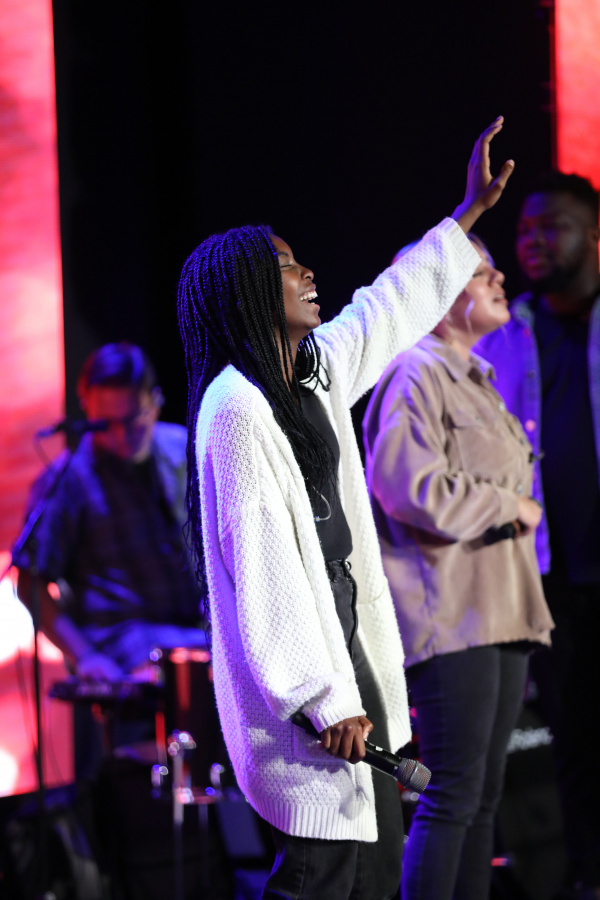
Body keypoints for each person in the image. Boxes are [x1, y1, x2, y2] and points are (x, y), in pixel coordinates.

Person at [176, 118, 513, 900]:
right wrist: (318, 697)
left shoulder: (314, 372)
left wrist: (466, 216)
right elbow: (263, 565)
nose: (308, 272)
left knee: (374, 870)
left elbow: (387, 308)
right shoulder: (236, 408)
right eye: (285, 266)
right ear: (246, 291)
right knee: (322, 875)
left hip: (350, 654)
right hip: (306, 691)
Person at [363, 234, 554, 900]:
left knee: (482, 798)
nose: (500, 278)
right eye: (481, 272)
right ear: (437, 296)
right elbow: (406, 486)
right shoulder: (414, 372)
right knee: (451, 795)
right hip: (453, 617)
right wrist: (510, 506)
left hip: (503, 613)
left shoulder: (474, 376)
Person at [475, 172, 600, 900]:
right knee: (574, 739)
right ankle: (587, 876)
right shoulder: (508, 330)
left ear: (593, 236)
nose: (532, 241)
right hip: (549, 577)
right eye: (524, 229)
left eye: (552, 226)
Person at [14, 342, 207, 771]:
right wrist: (85, 657)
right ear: (86, 408)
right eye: (106, 423)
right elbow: (29, 581)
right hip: (126, 648)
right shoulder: (67, 480)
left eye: (132, 420)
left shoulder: (183, 449)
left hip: (197, 634)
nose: (120, 436)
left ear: (155, 402)